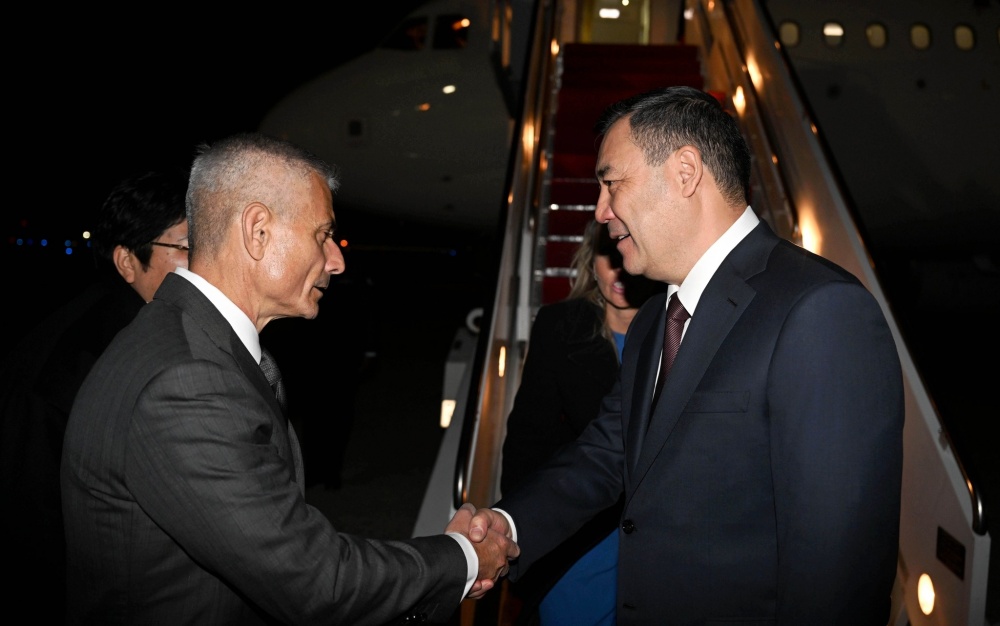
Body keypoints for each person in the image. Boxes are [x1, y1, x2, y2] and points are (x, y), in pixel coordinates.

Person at [471, 86, 904, 624]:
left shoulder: (821, 310)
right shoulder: (657, 317)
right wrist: (505, 528)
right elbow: (606, 455)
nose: (601, 211)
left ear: (685, 172)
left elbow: (838, 566)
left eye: (611, 183)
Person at [60, 132, 517, 625]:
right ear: (257, 231)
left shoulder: (186, 341)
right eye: (322, 235)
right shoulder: (187, 379)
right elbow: (315, 581)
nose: (337, 260)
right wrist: (464, 558)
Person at [0, 169, 189, 623]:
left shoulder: (120, 322)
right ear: (127, 261)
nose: (208, 264)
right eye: (187, 248)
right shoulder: (106, 350)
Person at [499, 219, 660, 625]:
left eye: (626, 254)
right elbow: (527, 436)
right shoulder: (560, 325)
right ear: (591, 262)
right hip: (580, 525)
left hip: (656, 532)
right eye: (608, 257)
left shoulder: (675, 330)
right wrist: (519, 527)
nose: (619, 272)